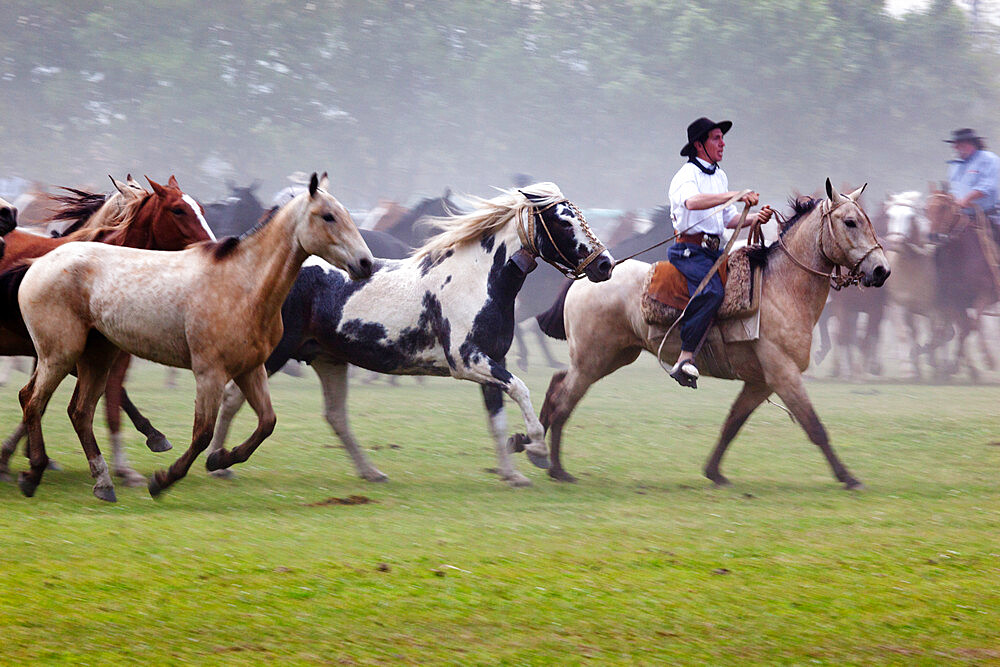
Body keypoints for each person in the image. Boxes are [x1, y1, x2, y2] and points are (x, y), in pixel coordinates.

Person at [666, 117, 773, 388]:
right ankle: (684, 358)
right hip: (689, 250)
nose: (723, 143)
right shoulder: (686, 175)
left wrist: (755, 218)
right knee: (711, 292)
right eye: (716, 138)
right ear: (699, 145)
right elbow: (692, 202)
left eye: (721, 138)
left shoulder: (720, 176)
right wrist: (735, 194)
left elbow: (728, 220)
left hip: (715, 252)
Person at [945, 128, 1000, 227]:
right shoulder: (955, 165)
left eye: (960, 144)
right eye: (955, 145)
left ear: (971, 144)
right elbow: (953, 189)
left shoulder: (988, 159)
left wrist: (966, 200)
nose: (955, 147)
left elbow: (987, 186)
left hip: (988, 215)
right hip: (963, 216)